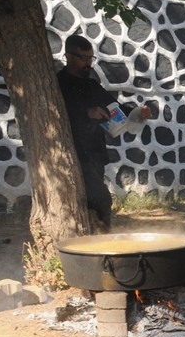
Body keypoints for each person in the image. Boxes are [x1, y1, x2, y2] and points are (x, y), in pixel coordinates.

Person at [57, 34, 152, 229]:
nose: (88, 64)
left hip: (95, 153)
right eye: (84, 58)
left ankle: (91, 244)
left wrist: (138, 113)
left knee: (92, 202)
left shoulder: (92, 85)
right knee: (101, 200)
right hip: (72, 153)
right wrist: (87, 113)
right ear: (68, 56)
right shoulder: (57, 84)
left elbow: (114, 107)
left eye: (91, 59)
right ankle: (102, 244)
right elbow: (56, 116)